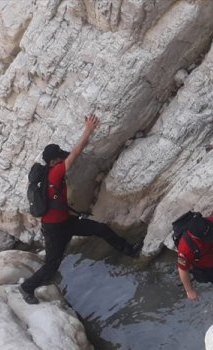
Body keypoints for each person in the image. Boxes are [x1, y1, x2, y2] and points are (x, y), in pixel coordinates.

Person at [19, 114, 140, 304]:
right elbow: (75, 152)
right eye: (59, 158)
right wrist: (89, 130)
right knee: (52, 265)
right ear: (53, 161)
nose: (62, 161)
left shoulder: (47, 174)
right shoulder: (54, 173)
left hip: (66, 222)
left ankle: (130, 251)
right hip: (55, 229)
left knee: (100, 229)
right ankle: (27, 288)